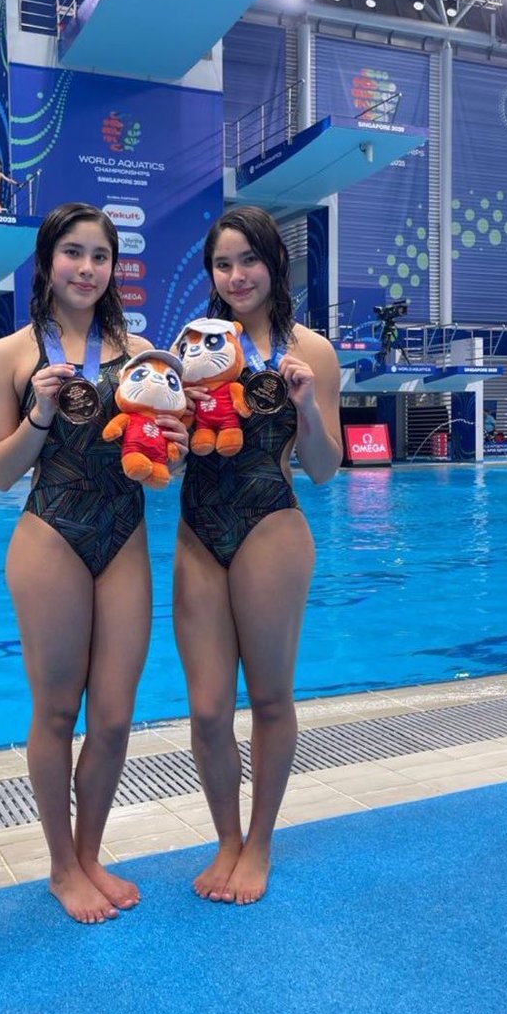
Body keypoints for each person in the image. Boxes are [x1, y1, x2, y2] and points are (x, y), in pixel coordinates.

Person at [0, 202, 188, 924]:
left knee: (114, 717)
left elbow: (159, 459)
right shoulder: (8, 355)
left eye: (99, 256)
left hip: (122, 534)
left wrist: (174, 447)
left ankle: (90, 851)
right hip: (50, 536)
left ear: (113, 269)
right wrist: (37, 415)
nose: (86, 268)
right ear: (48, 261)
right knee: (58, 709)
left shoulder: (143, 352)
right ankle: (61, 866)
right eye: (73, 253)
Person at [173, 205, 342, 906]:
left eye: (248, 260)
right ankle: (225, 838)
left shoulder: (312, 350)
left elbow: (326, 467)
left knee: (269, 699)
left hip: (272, 524)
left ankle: (260, 843)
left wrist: (303, 404)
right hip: (197, 534)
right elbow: (171, 445)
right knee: (209, 709)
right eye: (222, 263)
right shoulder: (193, 345)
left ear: (274, 264)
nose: (236, 275)